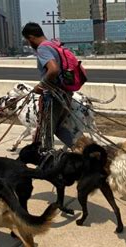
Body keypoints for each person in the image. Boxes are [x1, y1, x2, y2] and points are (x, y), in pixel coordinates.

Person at [21, 22, 75, 151]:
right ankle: (80, 148)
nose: (29, 43)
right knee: (56, 127)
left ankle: (48, 158)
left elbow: (53, 69)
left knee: (47, 130)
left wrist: (41, 85)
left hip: (54, 96)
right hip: (65, 93)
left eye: (27, 40)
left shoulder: (43, 48)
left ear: (31, 37)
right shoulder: (53, 45)